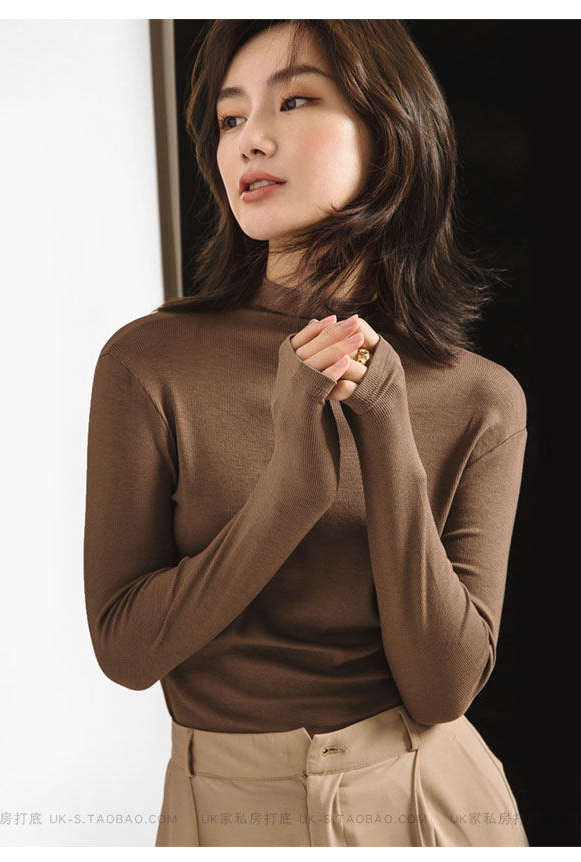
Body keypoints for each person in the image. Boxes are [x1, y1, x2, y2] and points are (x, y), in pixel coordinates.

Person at [83, 19, 530, 847]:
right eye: (230, 118)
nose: (250, 139)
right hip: (226, 813)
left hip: (432, 804)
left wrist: (386, 427)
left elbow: (441, 690)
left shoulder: (481, 397)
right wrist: (293, 487)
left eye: (293, 101)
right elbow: (127, 651)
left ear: (390, 130)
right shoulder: (150, 362)